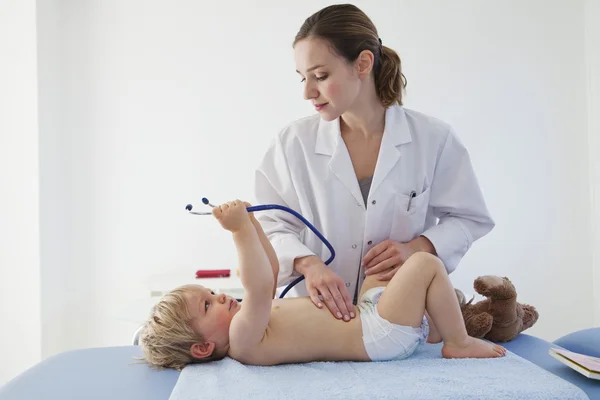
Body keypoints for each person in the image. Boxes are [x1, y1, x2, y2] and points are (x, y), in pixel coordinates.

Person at [254, 4, 494, 322]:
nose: (309, 92)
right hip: (319, 318)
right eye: (303, 79)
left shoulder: (432, 139)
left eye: (321, 76)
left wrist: (419, 246)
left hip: (401, 321)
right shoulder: (293, 143)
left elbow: (470, 218)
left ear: (363, 63)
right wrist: (307, 264)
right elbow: (268, 225)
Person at [140, 200, 505, 370]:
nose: (218, 295)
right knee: (424, 263)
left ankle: (436, 325)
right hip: (377, 336)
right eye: (207, 305)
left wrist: (252, 225)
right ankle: (457, 342)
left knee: (380, 268)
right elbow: (258, 282)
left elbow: (268, 271)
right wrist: (239, 232)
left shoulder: (249, 325)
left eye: (208, 294)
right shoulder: (243, 340)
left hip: (370, 316)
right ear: (204, 347)